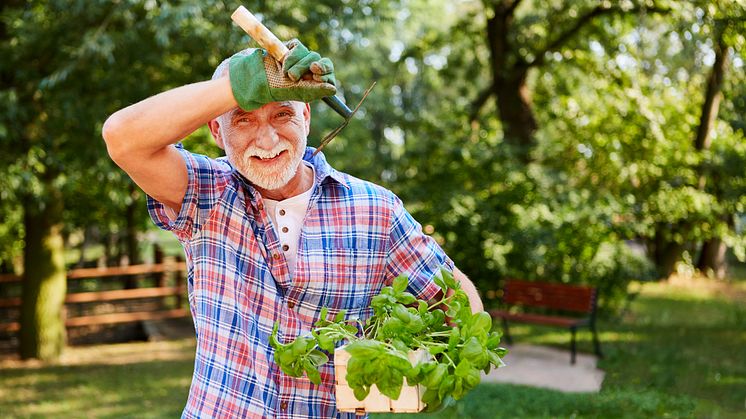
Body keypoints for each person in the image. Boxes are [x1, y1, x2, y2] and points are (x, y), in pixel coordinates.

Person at [102, 41, 483, 418]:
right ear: (217, 132)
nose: (267, 140)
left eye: (282, 115)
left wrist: (425, 363)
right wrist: (242, 82)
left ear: (307, 118)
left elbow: (459, 304)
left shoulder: (375, 209)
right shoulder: (206, 191)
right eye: (244, 118)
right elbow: (122, 138)